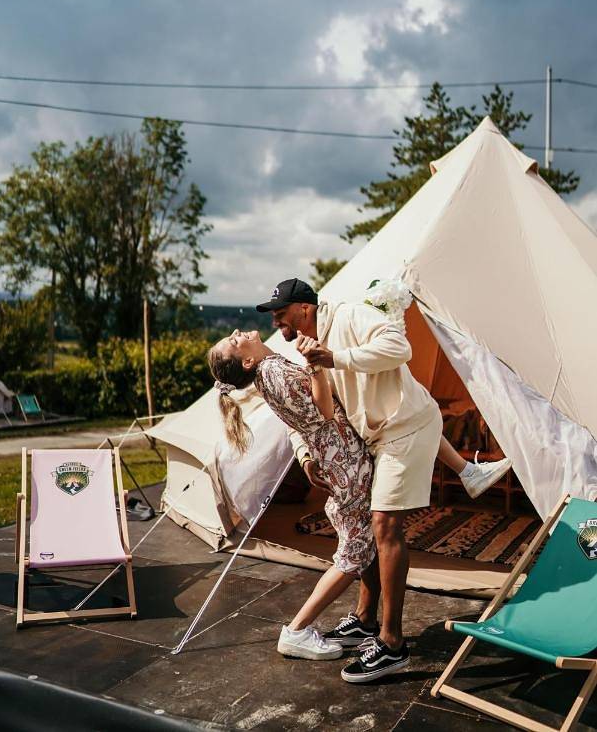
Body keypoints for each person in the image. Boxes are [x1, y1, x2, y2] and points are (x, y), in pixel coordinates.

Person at [256, 278, 511, 683]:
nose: (276, 322)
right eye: (272, 316)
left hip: (405, 429)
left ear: (304, 308)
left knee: (384, 525)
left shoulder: (350, 315)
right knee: (363, 528)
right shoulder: (296, 351)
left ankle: (393, 644)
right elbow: (300, 411)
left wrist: (334, 357)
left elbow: (400, 349)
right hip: (374, 440)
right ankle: (365, 619)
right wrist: (305, 454)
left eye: (280, 313)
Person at [208, 329, 378, 662]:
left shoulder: (267, 371)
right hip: (344, 460)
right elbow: (323, 413)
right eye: (232, 341)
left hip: (335, 459)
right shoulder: (272, 371)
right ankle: (297, 630)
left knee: (363, 542)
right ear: (246, 359)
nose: (235, 332)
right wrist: (315, 366)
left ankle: (365, 620)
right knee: (354, 554)